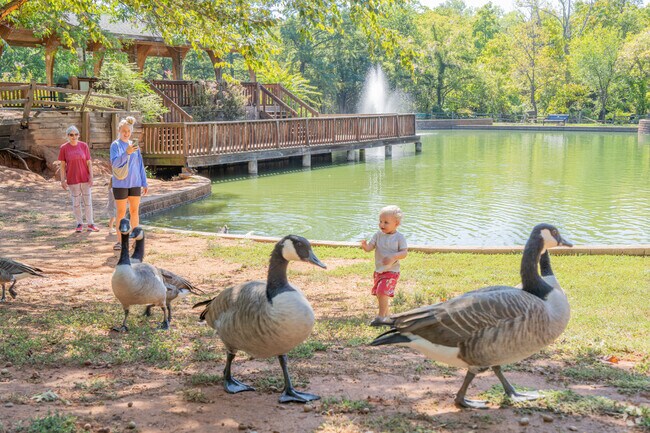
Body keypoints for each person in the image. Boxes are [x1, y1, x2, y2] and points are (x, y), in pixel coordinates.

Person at [361, 205, 408, 327]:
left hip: (392, 271)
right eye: (380, 221)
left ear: (396, 223)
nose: (382, 224)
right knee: (379, 293)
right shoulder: (378, 235)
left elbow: (404, 253)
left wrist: (393, 256)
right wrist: (365, 246)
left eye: (386, 222)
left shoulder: (399, 237)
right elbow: (370, 247)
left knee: (382, 292)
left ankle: (381, 317)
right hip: (379, 271)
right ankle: (387, 315)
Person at [110, 116, 148, 250]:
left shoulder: (135, 145)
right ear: (119, 130)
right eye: (124, 130)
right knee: (121, 212)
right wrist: (126, 153)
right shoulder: (115, 145)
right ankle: (120, 241)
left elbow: (140, 165)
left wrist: (144, 182)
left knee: (134, 211)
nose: (126, 133)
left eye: (128, 131)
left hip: (135, 183)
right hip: (120, 183)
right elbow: (114, 163)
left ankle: (135, 240)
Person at [58, 125, 99, 233]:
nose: (74, 136)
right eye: (71, 135)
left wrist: (91, 177)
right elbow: (62, 166)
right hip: (72, 179)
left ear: (79, 135)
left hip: (85, 178)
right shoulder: (64, 148)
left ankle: (90, 224)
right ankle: (79, 223)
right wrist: (62, 180)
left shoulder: (84, 146)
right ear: (68, 136)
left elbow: (89, 163)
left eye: (76, 134)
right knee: (76, 203)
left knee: (88, 202)